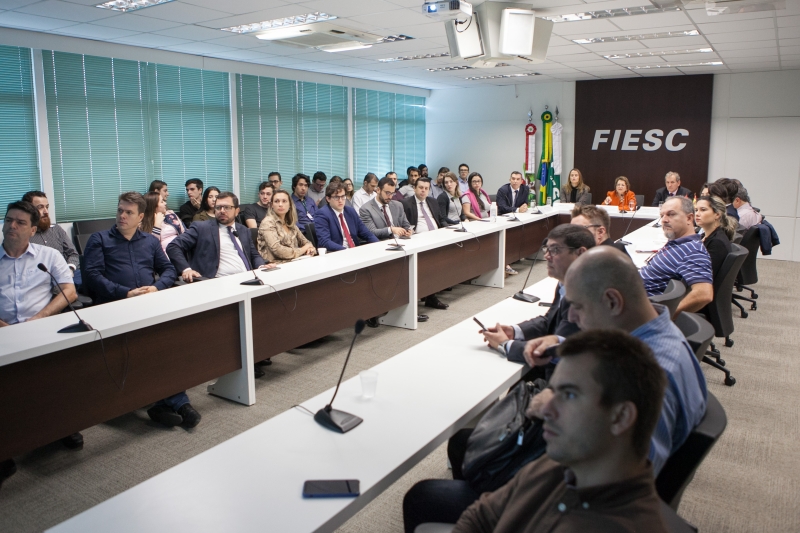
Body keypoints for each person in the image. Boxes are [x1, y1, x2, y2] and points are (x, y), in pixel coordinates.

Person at [405, 330, 677, 533]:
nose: (546, 410)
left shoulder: (624, 523)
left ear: (620, 416)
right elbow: (482, 515)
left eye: (569, 395)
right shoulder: (557, 464)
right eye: (552, 391)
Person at [526, 246, 708, 476]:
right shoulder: (658, 333)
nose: (571, 317)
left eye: (578, 306)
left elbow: (618, 487)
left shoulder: (643, 379)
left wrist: (559, 410)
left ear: (612, 301)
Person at [82, 193, 199, 428]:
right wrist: (125, 293)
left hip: (147, 305)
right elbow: (92, 277)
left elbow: (167, 269)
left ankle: (175, 401)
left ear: (141, 217)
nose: (122, 216)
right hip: (114, 307)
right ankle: (162, 402)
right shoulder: (100, 239)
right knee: (140, 350)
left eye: (128, 212)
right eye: (119, 211)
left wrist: (156, 287)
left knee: (166, 347)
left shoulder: (149, 241)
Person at [1, 200, 82, 486]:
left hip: (42, 327)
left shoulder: (47, 255)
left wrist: (42, 316)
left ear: (33, 229)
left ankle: (60, 428)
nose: (11, 226)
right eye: (9, 220)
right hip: (2, 332)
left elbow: (69, 291)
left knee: (54, 378)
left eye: (20, 223)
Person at [167, 192, 273, 377]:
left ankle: (256, 351)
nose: (222, 211)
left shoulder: (243, 230)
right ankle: (245, 361)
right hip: (217, 284)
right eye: (218, 207)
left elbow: (252, 254)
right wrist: (186, 269)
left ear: (236, 210)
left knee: (270, 304)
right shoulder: (201, 227)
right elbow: (173, 247)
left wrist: (262, 264)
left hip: (247, 281)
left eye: (227, 207)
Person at [481, 225, 594, 364]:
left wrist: (505, 344)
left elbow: (561, 353)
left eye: (555, 250)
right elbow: (550, 321)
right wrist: (514, 331)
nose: (547, 256)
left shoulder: (588, 295)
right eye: (547, 249)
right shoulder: (565, 284)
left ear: (580, 253)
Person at [640, 197, 713, 315]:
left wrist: (664, 316)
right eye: (662, 215)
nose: (664, 220)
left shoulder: (693, 251)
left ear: (689, 218)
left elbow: (704, 294)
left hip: (638, 311)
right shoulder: (678, 242)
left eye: (671, 214)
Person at [21, 191, 81, 286]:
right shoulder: (22, 235)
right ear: (28, 210)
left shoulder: (56, 229)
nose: (46, 212)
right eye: (40, 207)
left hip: (70, 274)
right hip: (42, 280)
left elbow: (73, 254)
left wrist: (69, 269)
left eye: (47, 207)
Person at [314, 182, 379, 252]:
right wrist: (347, 251)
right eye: (336, 197)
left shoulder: (350, 211)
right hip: (337, 253)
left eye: (343, 196)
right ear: (328, 199)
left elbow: (366, 233)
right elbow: (325, 241)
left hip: (355, 251)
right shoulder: (322, 214)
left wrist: (379, 244)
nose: (340, 200)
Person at [257, 190, 316, 264]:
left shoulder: (290, 223)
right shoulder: (267, 222)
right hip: (275, 266)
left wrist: (310, 248)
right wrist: (304, 249)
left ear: (290, 205)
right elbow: (278, 250)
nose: (280, 204)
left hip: (295, 263)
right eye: (276, 201)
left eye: (284, 201)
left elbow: (306, 242)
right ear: (271, 205)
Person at [359, 176, 412, 240]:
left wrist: (408, 231)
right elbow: (371, 232)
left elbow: (406, 225)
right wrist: (391, 229)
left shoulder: (398, 205)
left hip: (400, 240)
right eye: (387, 193)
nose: (390, 197)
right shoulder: (366, 209)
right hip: (381, 243)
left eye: (392, 193)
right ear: (378, 190)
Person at [696, 195, 736, 280]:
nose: (697, 214)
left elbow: (703, 275)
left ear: (717, 214)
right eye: (696, 210)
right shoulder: (706, 235)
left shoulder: (717, 243)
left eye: (703, 210)